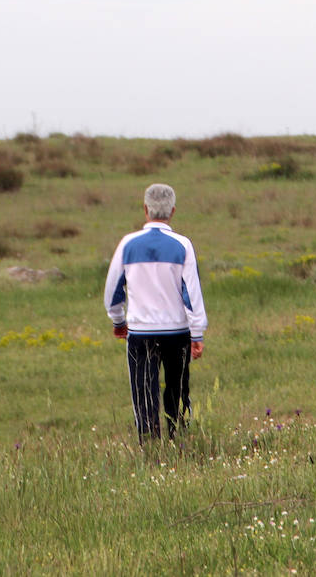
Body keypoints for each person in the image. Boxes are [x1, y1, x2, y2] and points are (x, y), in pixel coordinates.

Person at [103, 183, 208, 443]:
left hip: (141, 333)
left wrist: (118, 320)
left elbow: (113, 290)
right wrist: (197, 333)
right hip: (177, 331)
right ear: (172, 211)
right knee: (178, 390)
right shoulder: (183, 244)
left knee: (143, 393)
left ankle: (149, 446)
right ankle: (179, 441)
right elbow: (191, 293)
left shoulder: (127, 244)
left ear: (145, 209)